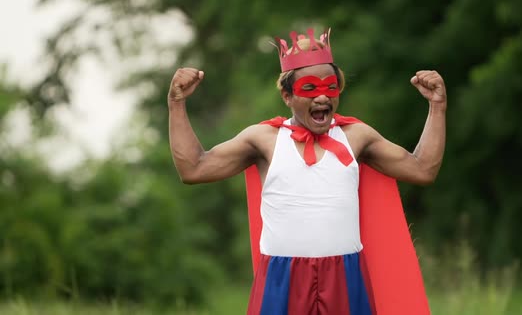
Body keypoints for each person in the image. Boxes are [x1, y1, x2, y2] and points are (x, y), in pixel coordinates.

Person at [168, 28, 445, 315]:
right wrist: (176, 104)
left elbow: (422, 169)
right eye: (310, 88)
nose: (322, 97)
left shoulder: (356, 136)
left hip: (345, 276)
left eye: (330, 88)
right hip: (282, 277)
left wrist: (437, 107)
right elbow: (193, 168)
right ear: (287, 96)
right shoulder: (264, 139)